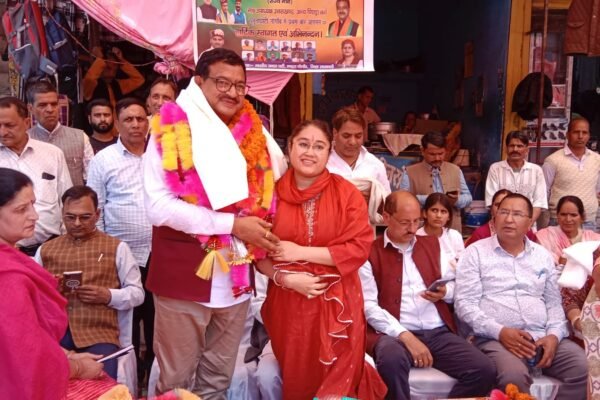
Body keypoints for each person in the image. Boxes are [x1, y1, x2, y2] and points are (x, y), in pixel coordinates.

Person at [143, 48, 286, 398]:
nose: (233, 93)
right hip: (184, 276)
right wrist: (233, 225)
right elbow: (159, 207)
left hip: (235, 276)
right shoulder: (169, 128)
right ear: (199, 82)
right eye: (222, 83)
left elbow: (278, 181)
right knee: (176, 383)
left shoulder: (254, 132)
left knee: (218, 381)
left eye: (240, 85)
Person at [257, 120, 387, 400]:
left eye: (319, 147)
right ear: (290, 148)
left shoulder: (347, 194)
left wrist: (299, 252)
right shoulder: (269, 195)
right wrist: (286, 279)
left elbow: (358, 248)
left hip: (341, 304)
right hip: (289, 307)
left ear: (329, 153)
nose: (310, 152)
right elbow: (255, 252)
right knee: (298, 381)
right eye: (303, 144)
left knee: (338, 385)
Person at [360, 191, 495, 400]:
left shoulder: (432, 245)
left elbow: (456, 284)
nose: (413, 229)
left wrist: (445, 292)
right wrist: (405, 336)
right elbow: (368, 305)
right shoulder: (369, 252)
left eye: (417, 221)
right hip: (394, 333)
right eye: (405, 222)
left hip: (437, 331)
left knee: (484, 369)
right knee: (391, 360)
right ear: (386, 217)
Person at [455, 193, 588, 397]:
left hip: (541, 336)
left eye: (517, 214)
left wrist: (554, 336)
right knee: (513, 378)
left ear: (529, 222)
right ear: (494, 217)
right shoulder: (475, 253)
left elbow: (553, 303)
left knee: (584, 368)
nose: (509, 219)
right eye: (504, 212)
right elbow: (465, 304)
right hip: (494, 338)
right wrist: (500, 331)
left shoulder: (542, 255)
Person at [0, 168, 110, 399]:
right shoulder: (9, 277)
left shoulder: (114, 247)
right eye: (21, 209)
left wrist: (66, 356)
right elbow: (24, 353)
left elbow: (28, 335)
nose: (35, 216)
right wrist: (76, 368)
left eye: (33, 205)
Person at [35, 185, 144, 379]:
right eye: (70, 217)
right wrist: (50, 289)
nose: (77, 223)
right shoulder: (46, 250)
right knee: (48, 380)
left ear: (97, 214)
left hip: (100, 332)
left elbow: (137, 294)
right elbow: (31, 295)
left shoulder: (117, 247)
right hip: (55, 333)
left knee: (103, 381)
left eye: (85, 217)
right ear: (62, 214)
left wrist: (108, 295)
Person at [87, 97, 154, 383]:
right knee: (126, 322)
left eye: (140, 119)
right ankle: (128, 382)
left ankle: (153, 377)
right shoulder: (103, 160)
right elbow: (96, 208)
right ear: (117, 123)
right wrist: (104, 254)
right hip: (121, 257)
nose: (135, 124)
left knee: (157, 321)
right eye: (128, 119)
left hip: (159, 255)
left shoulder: (161, 155)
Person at [0, 97, 72, 256]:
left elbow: (67, 199)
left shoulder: (52, 153)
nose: (2, 132)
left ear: (27, 123)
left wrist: (66, 240)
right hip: (7, 254)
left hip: (53, 248)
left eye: (9, 125)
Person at [537, 195, 600, 341]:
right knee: (568, 280)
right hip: (557, 286)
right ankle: (577, 321)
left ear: (582, 217)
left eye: (573, 215)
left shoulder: (594, 239)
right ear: (557, 216)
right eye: (563, 214)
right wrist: (563, 264)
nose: (568, 219)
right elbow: (544, 264)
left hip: (591, 287)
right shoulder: (545, 235)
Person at [400, 131, 472, 232]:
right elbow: (402, 202)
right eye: (432, 154)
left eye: (441, 154)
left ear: (446, 150)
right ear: (422, 151)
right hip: (421, 231)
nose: (437, 158)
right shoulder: (410, 172)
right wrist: (430, 199)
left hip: (451, 230)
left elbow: (468, 198)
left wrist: (455, 200)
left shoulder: (455, 170)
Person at [27, 81, 94, 186]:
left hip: (74, 196)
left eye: (54, 104)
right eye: (42, 105)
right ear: (31, 108)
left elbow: (92, 177)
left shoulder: (80, 137)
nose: (50, 110)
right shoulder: (25, 139)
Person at [326, 107, 391, 206]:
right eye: (346, 136)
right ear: (335, 133)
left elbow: (388, 204)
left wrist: (373, 200)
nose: (352, 142)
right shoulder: (322, 163)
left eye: (358, 136)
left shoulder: (376, 165)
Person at [543, 116, 600, 229]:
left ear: (589, 136)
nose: (580, 136)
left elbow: (596, 190)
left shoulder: (597, 160)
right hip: (560, 221)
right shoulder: (553, 160)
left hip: (588, 221)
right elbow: (544, 191)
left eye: (584, 132)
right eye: (576, 132)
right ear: (567, 135)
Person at [485, 131, 547, 223]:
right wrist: (504, 223)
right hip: (501, 224)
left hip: (528, 225)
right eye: (511, 146)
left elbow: (539, 203)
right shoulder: (495, 169)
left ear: (527, 149)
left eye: (519, 146)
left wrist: (527, 225)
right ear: (506, 148)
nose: (515, 149)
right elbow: (492, 202)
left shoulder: (536, 170)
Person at [465, 189, 538, 247]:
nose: (501, 207)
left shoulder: (526, 232)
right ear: (491, 209)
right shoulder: (480, 234)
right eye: (498, 205)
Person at [416, 193, 464, 267]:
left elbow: (462, 264)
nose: (438, 215)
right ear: (425, 213)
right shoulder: (416, 237)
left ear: (449, 217)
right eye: (434, 210)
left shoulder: (455, 236)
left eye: (443, 211)